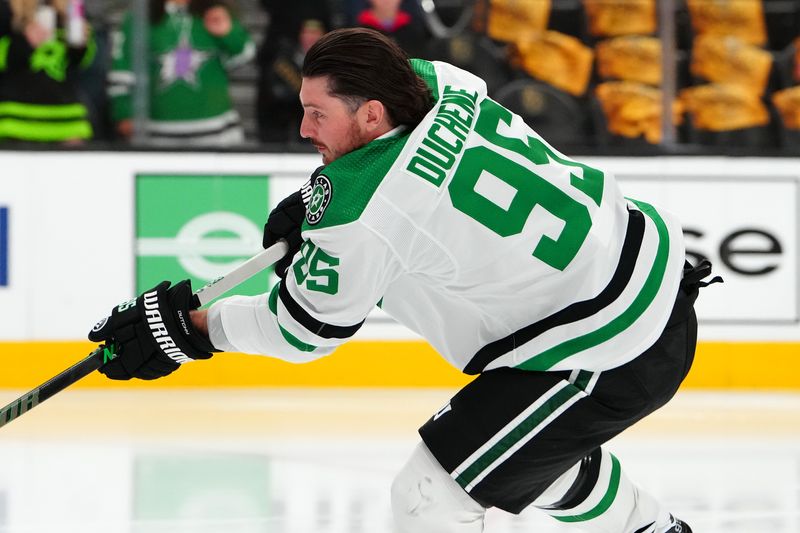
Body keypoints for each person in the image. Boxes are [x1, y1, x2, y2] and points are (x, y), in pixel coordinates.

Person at [89, 28, 722, 533]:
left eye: (316, 114)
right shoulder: (441, 83)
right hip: (644, 277)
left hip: (608, 349)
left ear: (369, 113)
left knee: (428, 498)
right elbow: (399, 187)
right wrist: (320, 210)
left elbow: (304, 331)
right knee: (524, 462)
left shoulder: (365, 215)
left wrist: (192, 331)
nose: (303, 128)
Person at [107, 0, 254, 146]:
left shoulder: (216, 11)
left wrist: (228, 32)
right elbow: (122, 69)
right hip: (156, 135)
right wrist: (123, 113)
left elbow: (244, 55)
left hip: (217, 132)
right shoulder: (138, 17)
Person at [0, 0, 95, 144]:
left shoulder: (69, 9)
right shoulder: (7, 9)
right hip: (15, 120)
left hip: (66, 119)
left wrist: (79, 44)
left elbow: (80, 64)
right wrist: (24, 42)